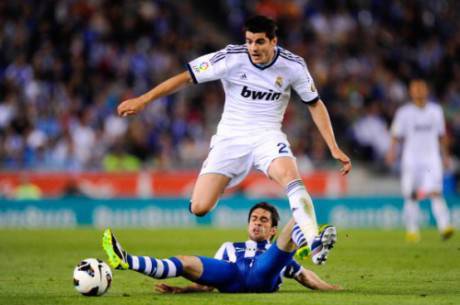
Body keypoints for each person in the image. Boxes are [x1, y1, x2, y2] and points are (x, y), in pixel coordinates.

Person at [117, 15, 351, 264]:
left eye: (260, 42)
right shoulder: (230, 58)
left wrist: (333, 146)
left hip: (267, 135)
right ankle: (301, 231)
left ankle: (314, 240)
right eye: (249, 41)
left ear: (274, 41)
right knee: (200, 207)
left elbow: (315, 104)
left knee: (290, 177)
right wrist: (143, 100)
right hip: (230, 138)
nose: (253, 48)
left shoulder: (293, 66)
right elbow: (186, 77)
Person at [102, 202, 341, 293]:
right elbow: (207, 284)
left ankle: (312, 245)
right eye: (254, 219)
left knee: (298, 214)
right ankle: (126, 260)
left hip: (262, 273)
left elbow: (304, 276)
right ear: (248, 223)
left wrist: (330, 288)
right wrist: (182, 290)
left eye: (263, 220)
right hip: (231, 276)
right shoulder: (228, 247)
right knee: (184, 261)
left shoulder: (276, 253)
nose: (257, 223)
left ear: (272, 231)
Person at [386, 79, 454, 242]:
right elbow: (395, 136)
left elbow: (442, 136)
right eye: (415, 88)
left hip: (432, 158)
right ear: (411, 92)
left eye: (421, 88)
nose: (418, 91)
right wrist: (391, 152)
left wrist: (445, 156)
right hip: (411, 159)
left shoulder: (436, 111)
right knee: (411, 195)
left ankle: (445, 227)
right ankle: (412, 230)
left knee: (436, 192)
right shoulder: (404, 112)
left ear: (426, 90)